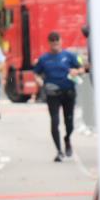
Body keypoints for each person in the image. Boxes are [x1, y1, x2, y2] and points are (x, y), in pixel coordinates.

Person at [33, 31, 84, 162]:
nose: (55, 45)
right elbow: (36, 73)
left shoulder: (69, 56)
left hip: (68, 92)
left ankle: (67, 139)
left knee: (69, 123)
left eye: (57, 42)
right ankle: (59, 151)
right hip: (52, 94)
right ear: (49, 43)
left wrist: (77, 71)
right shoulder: (44, 59)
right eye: (53, 43)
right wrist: (39, 81)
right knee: (54, 122)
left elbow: (82, 69)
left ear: (61, 41)